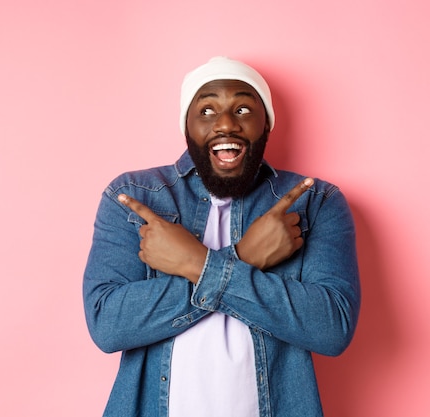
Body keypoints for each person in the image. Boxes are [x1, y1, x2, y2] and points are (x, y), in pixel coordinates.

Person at [83, 56, 361, 417]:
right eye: (207, 111)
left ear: (267, 125)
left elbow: (332, 328)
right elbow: (108, 325)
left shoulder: (315, 202)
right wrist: (244, 258)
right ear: (187, 126)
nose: (226, 124)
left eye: (243, 108)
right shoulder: (135, 196)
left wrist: (194, 264)